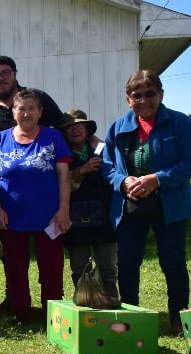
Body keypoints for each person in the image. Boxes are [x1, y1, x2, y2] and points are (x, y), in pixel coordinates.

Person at [100, 70, 191, 334]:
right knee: (128, 263)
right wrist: (123, 182)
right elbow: (107, 166)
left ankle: (179, 319)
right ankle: (132, 317)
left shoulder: (180, 123)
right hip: (130, 207)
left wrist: (157, 179)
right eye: (137, 95)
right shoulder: (117, 128)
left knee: (173, 262)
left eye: (150, 93)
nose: (144, 99)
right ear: (128, 99)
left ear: (161, 94)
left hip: (171, 206)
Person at [0, 89, 72, 322]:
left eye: (31, 108)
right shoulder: (0, 139)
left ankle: (52, 314)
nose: (26, 113)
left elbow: (64, 175)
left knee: (52, 268)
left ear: (40, 112)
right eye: (21, 108)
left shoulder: (53, 137)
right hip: (11, 216)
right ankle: (21, 313)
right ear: (13, 112)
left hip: (49, 216)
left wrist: (64, 209)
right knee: (15, 268)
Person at [59, 109, 118, 302]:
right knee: (79, 268)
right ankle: (85, 305)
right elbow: (58, 183)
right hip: (75, 220)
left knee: (108, 267)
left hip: (104, 219)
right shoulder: (61, 155)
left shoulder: (103, 150)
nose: (74, 131)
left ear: (86, 129)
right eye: (69, 128)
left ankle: (111, 303)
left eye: (79, 126)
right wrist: (80, 171)